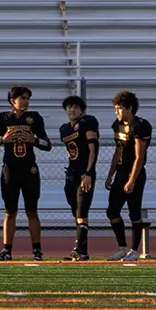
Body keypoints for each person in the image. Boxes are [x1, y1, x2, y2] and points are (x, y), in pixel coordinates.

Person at [0, 85, 50, 261]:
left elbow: (47, 144)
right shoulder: (1, 118)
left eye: (28, 98)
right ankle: (6, 250)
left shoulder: (34, 118)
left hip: (29, 170)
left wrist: (33, 140)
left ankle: (36, 250)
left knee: (32, 211)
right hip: (10, 170)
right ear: (13, 100)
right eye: (23, 98)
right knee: (10, 212)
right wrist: (1, 140)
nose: (26, 101)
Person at [104, 90, 152, 261]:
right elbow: (118, 151)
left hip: (135, 173)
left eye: (119, 108)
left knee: (134, 212)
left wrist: (132, 179)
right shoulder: (117, 125)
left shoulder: (140, 126)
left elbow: (139, 157)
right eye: (115, 108)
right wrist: (110, 174)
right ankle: (122, 247)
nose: (116, 112)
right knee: (112, 211)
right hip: (121, 172)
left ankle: (134, 250)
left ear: (129, 108)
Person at [60, 95, 99, 261]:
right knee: (76, 212)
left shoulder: (87, 122)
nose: (72, 110)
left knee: (82, 211)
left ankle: (78, 249)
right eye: (69, 107)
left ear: (82, 110)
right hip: (71, 174)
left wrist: (89, 173)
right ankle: (83, 251)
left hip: (84, 173)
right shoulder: (64, 128)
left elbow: (93, 149)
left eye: (75, 107)